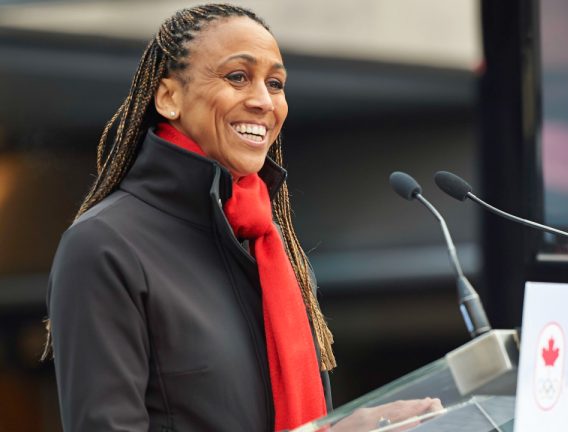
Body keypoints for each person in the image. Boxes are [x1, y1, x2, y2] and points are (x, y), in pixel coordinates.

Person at [46, 4, 441, 431]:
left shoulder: (269, 246)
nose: (262, 101)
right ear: (169, 97)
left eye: (275, 83)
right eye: (237, 77)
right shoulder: (104, 245)